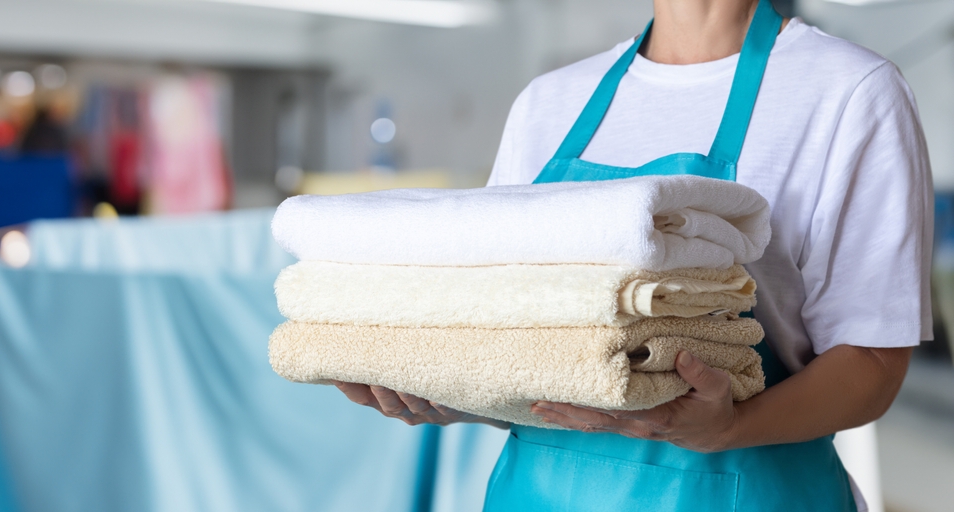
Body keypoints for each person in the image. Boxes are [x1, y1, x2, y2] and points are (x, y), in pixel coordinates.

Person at [334, 0, 933, 509]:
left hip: (741, 487)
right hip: (539, 491)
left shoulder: (850, 91)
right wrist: (444, 390)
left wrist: (729, 427)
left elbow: (873, 365)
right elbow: (516, 341)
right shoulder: (550, 103)